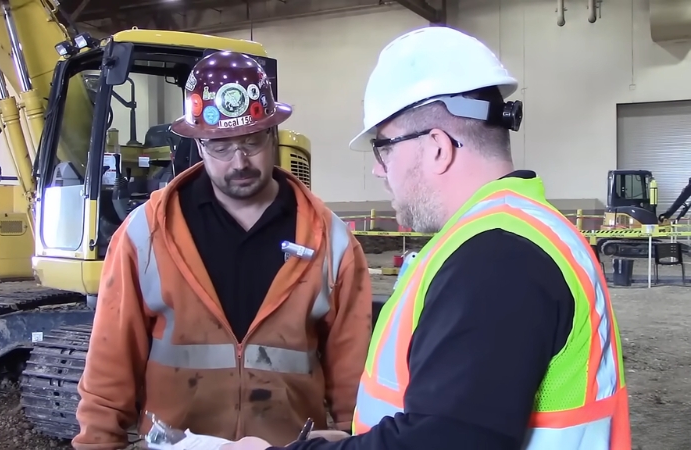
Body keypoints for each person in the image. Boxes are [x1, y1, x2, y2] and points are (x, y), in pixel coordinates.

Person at [223, 26, 632, 450]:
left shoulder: (497, 261)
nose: (380, 170)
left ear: (438, 146)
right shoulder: (514, 233)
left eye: (383, 149)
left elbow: (443, 440)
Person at [71, 50, 374, 450]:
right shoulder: (146, 234)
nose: (239, 161)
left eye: (251, 142)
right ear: (198, 145)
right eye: (221, 147)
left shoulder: (329, 240)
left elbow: (354, 378)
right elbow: (109, 369)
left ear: (273, 135)